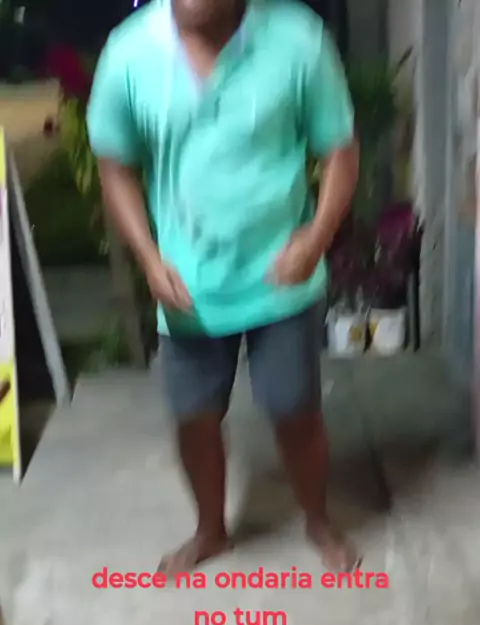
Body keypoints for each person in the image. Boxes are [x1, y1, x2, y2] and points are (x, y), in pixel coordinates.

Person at [87, 0, 360, 574]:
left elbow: (340, 150)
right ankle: (210, 531)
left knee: (295, 409)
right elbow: (115, 167)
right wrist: (148, 257)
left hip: (281, 276)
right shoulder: (128, 54)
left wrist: (314, 240)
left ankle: (318, 520)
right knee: (193, 418)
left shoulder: (299, 40)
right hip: (187, 285)